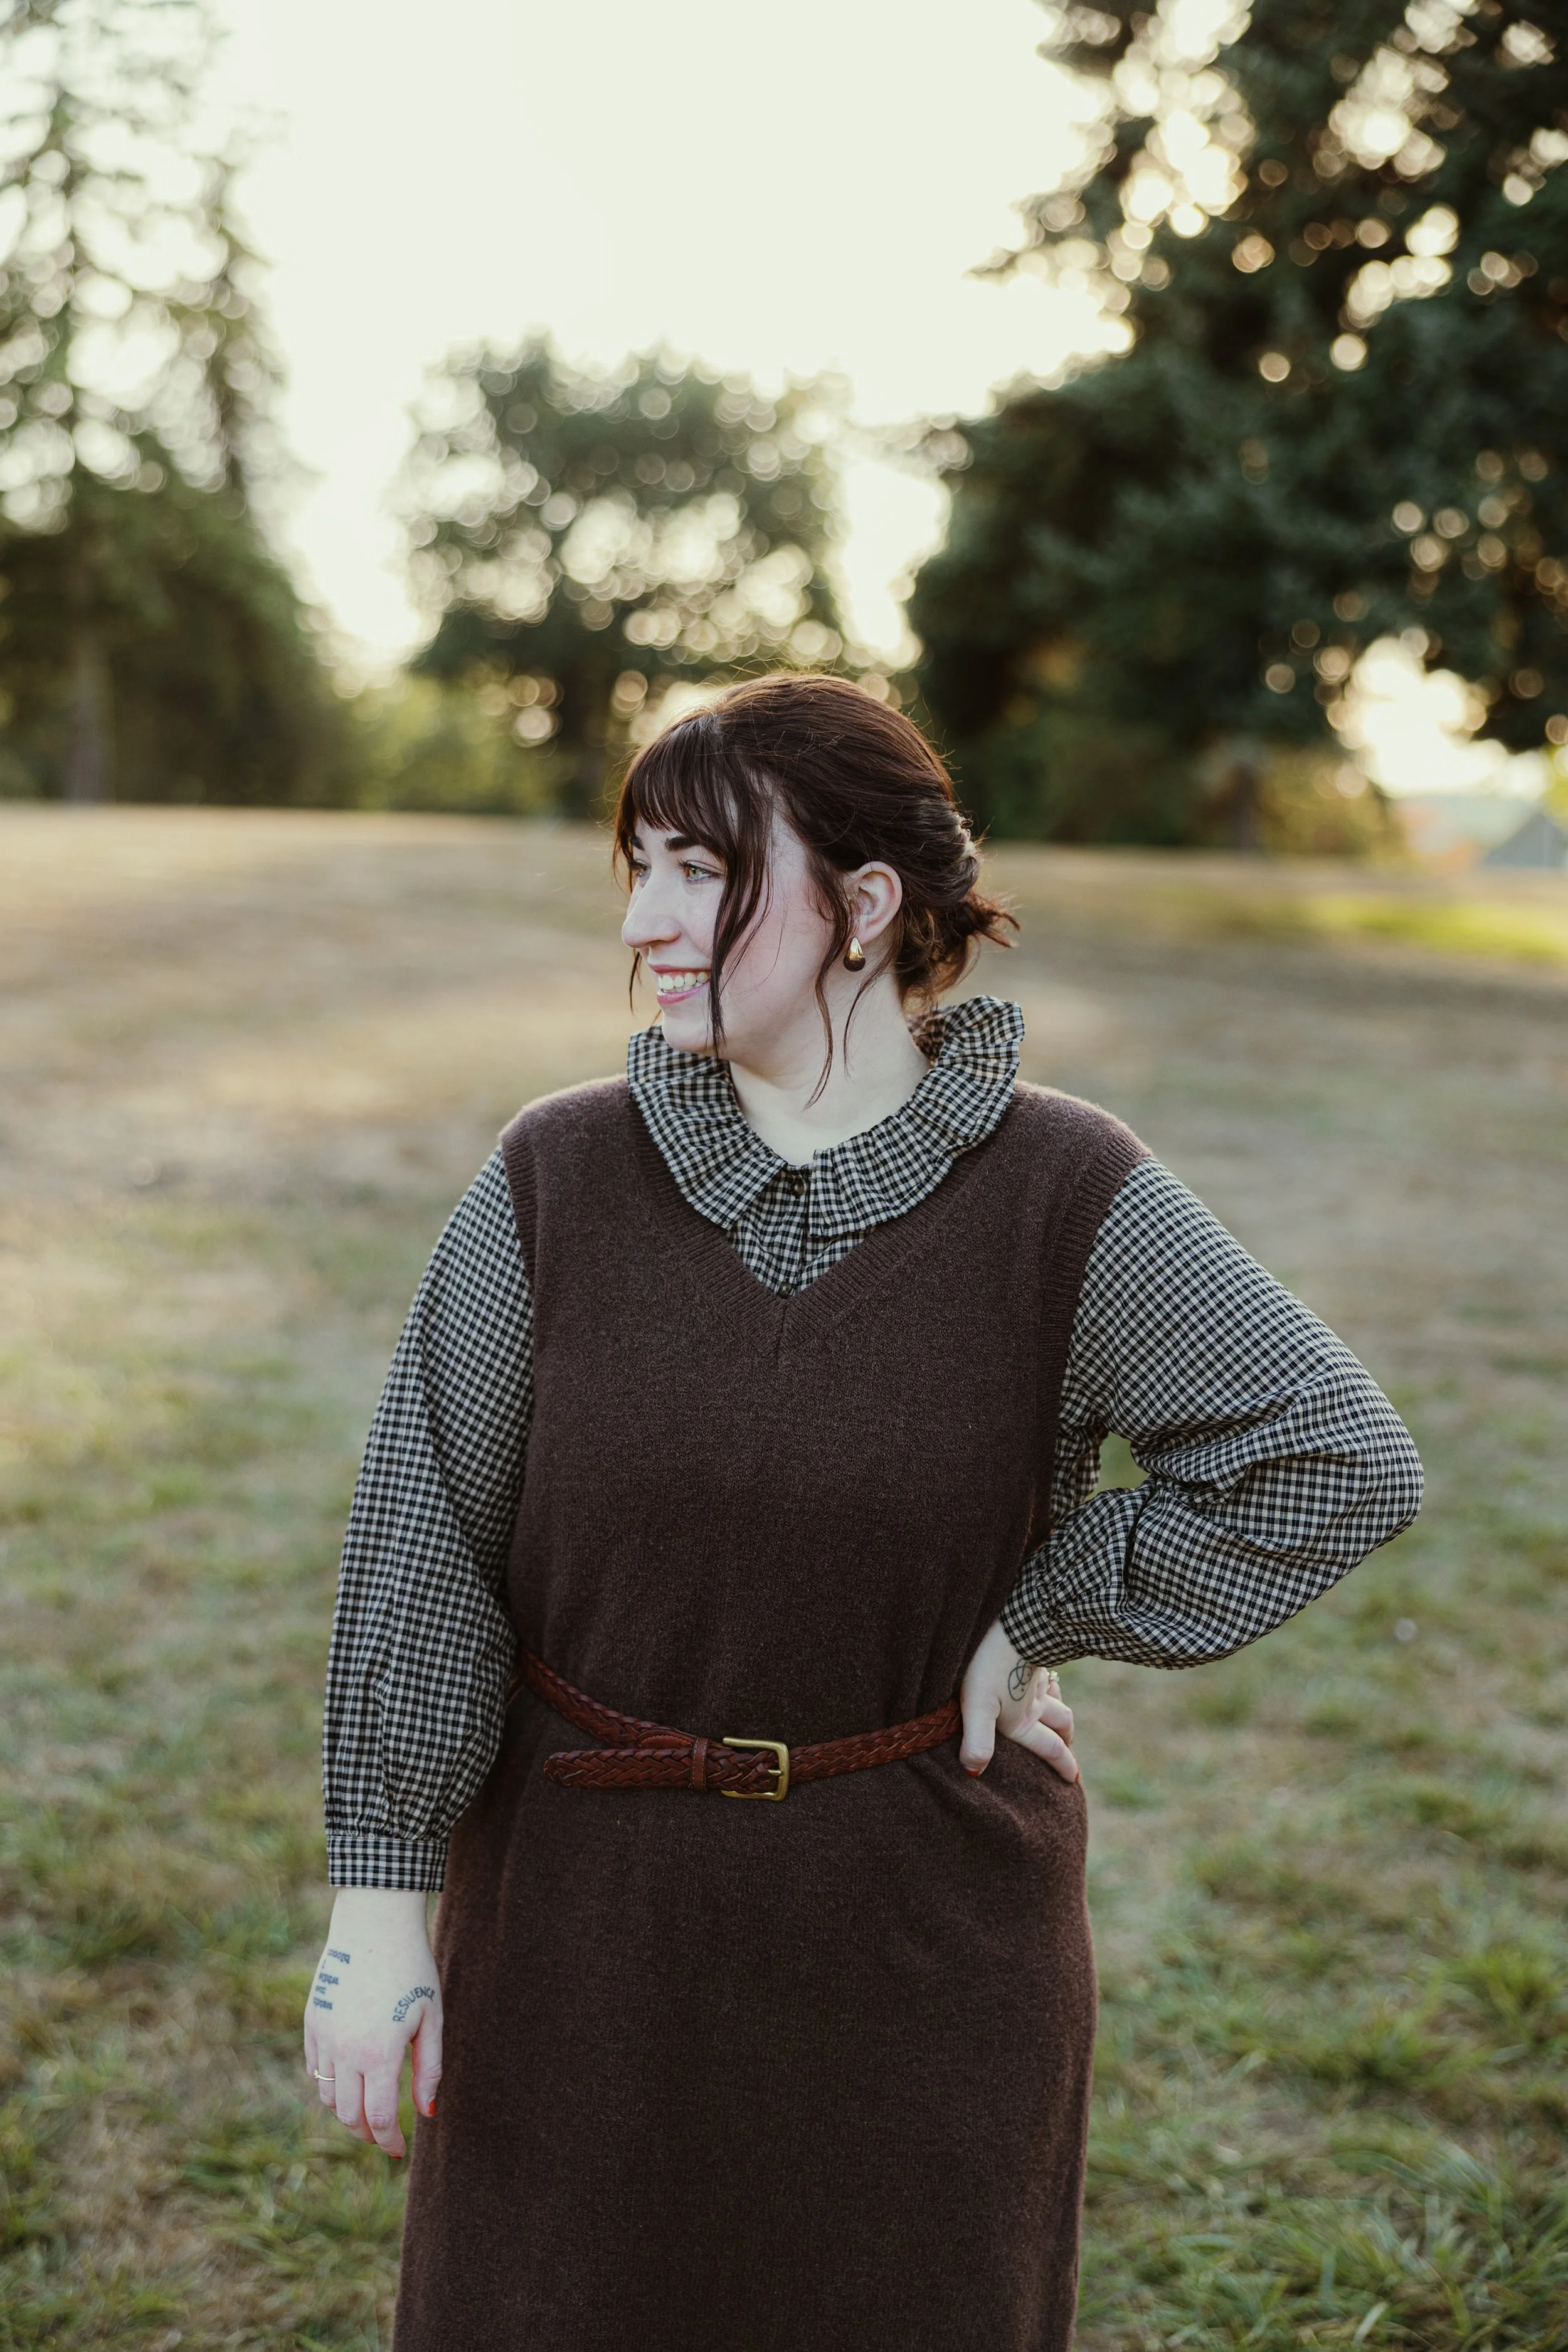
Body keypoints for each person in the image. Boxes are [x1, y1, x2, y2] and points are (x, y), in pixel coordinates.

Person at [305, 673, 1422, 2352]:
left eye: (700, 871)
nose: (645, 919)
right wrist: (380, 1901)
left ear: (865, 902)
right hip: (580, 1934)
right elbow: (425, 1539)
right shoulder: (557, 1175)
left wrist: (1048, 1607)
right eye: (639, 869)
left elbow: (1333, 1455)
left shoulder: (1062, 1195)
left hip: (924, 1958)